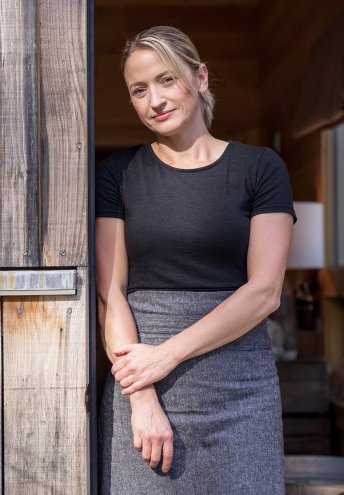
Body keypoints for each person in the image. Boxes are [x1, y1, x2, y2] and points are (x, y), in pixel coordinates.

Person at [95, 25, 296, 494]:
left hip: (240, 393)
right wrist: (141, 395)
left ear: (200, 77)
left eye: (167, 80)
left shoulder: (261, 168)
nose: (154, 100)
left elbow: (264, 292)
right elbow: (111, 295)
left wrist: (164, 357)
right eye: (139, 90)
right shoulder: (118, 174)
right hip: (141, 390)